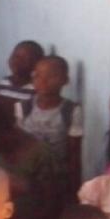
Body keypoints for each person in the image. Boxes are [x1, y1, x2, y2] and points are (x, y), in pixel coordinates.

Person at [15, 54, 83, 200]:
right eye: (38, 76)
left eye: (51, 76)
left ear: (65, 80)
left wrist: (75, 191)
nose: (43, 81)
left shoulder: (71, 110)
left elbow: (74, 154)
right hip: (28, 176)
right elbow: (17, 146)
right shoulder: (23, 108)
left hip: (57, 178)